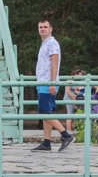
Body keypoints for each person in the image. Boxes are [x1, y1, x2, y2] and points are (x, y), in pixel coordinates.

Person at [32, 19, 74, 152]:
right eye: (40, 27)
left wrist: (52, 82)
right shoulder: (44, 44)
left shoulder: (52, 44)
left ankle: (66, 135)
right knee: (46, 113)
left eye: (45, 27)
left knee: (44, 112)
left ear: (51, 29)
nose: (42, 29)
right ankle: (46, 142)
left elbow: (55, 63)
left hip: (48, 83)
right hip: (42, 82)